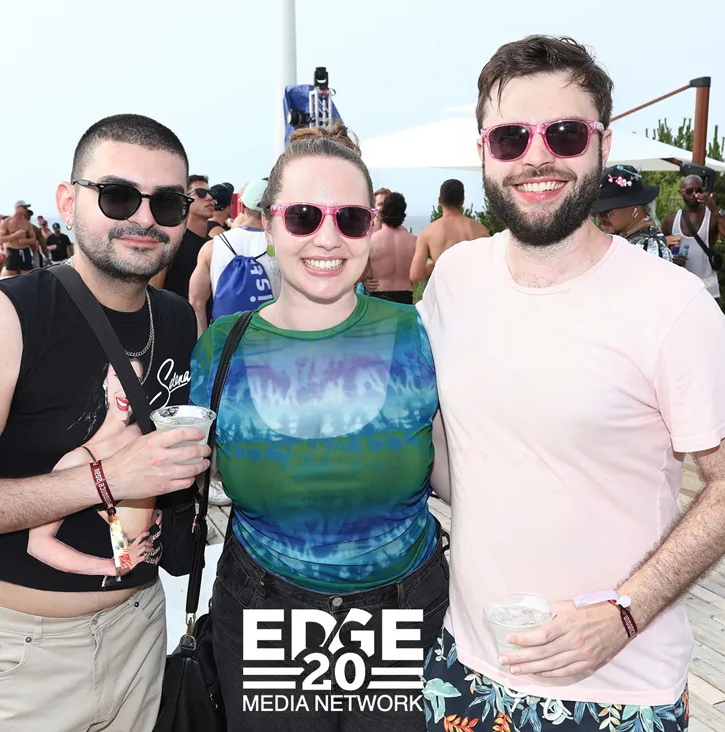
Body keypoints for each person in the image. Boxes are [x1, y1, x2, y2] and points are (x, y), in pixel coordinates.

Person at [418, 35, 725, 732]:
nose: (537, 157)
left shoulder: (672, 305)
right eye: (512, 137)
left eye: (565, 134)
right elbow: (439, 436)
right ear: (484, 151)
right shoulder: (455, 280)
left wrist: (624, 612)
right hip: (465, 667)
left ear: (601, 145)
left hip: (617, 688)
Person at [0, 113, 210, 732]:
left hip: (141, 632)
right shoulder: (5, 315)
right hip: (22, 654)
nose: (144, 218)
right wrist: (106, 479)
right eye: (118, 195)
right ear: (68, 202)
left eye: (167, 202)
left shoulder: (178, 319)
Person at [192, 122, 451, 732]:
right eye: (304, 217)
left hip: (401, 609)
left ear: (371, 225)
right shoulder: (221, 349)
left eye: (351, 219)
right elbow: (185, 475)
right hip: (265, 608)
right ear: (269, 224)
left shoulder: (420, 335)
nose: (327, 238)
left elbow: (458, 477)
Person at [189, 178, 279, 336]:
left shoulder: (212, 247)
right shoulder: (282, 246)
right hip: (271, 341)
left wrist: (205, 344)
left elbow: (196, 303)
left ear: (242, 206)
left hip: (226, 342)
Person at [662, 175, 725, 300]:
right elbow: (660, 254)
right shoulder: (671, 221)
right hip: (680, 289)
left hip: (707, 290)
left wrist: (715, 209)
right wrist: (671, 259)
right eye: (690, 191)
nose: (694, 194)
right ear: (681, 193)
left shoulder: (712, 217)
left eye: (699, 190)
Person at [409, 179, 488, 283]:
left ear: (440, 200)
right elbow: (489, 268)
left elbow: (415, 275)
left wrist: (433, 265)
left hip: (444, 290)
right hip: (472, 289)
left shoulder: (427, 233)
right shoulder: (480, 230)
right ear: (462, 201)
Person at [592, 165, 673, 261]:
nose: (599, 219)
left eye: (606, 212)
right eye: (594, 213)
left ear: (634, 206)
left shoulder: (648, 247)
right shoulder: (629, 237)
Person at [151, 174, 212, 299]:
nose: (209, 198)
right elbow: (152, 292)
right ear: (185, 199)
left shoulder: (212, 245)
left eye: (210, 193)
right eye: (201, 193)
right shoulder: (172, 241)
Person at [364, 191, 418, 304]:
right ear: (403, 213)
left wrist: (364, 280)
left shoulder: (371, 241)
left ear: (383, 212)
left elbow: (361, 274)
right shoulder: (414, 241)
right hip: (406, 297)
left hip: (379, 294)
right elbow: (418, 274)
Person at [0, 201, 38, 276]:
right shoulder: (7, 222)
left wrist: (25, 241)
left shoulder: (27, 223)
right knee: (11, 276)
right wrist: (14, 236)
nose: (26, 210)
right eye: (24, 207)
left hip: (25, 251)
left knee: (27, 275)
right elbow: (1, 239)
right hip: (12, 251)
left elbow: (33, 240)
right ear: (18, 208)